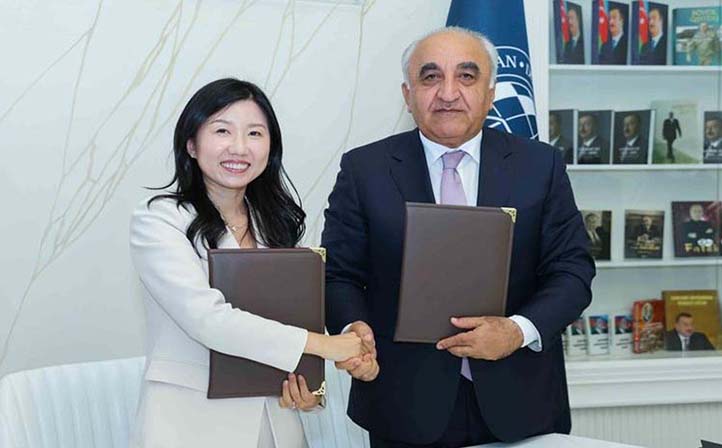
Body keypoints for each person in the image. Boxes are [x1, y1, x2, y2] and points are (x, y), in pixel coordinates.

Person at [322, 27, 595, 446]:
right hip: (403, 403)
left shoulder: (540, 165)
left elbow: (572, 271)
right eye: (431, 77)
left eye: (466, 76)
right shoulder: (365, 170)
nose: (448, 93)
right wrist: (352, 326)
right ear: (408, 94)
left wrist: (517, 331)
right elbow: (337, 275)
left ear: (490, 93)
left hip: (522, 401)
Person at [128, 78, 367, 448]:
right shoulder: (158, 220)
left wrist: (310, 394)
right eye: (222, 131)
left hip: (277, 425)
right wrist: (325, 345)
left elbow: (289, 324)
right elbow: (207, 318)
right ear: (191, 144)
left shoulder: (274, 224)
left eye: (254, 133)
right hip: (190, 425)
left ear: (270, 148)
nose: (239, 147)